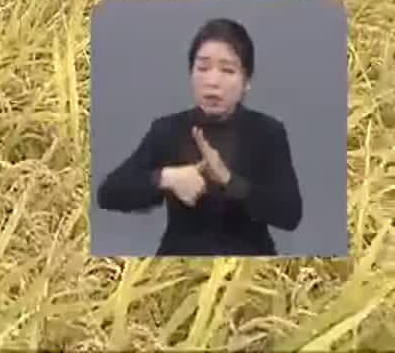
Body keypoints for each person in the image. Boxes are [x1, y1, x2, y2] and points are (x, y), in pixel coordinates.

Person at [96, 18, 303, 255]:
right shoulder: (167, 130)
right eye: (203, 68)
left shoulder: (268, 132)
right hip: (179, 267)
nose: (212, 82)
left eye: (227, 70)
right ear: (191, 73)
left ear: (247, 82)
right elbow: (108, 193)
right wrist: (165, 178)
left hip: (248, 271)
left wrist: (229, 180)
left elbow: (290, 215)